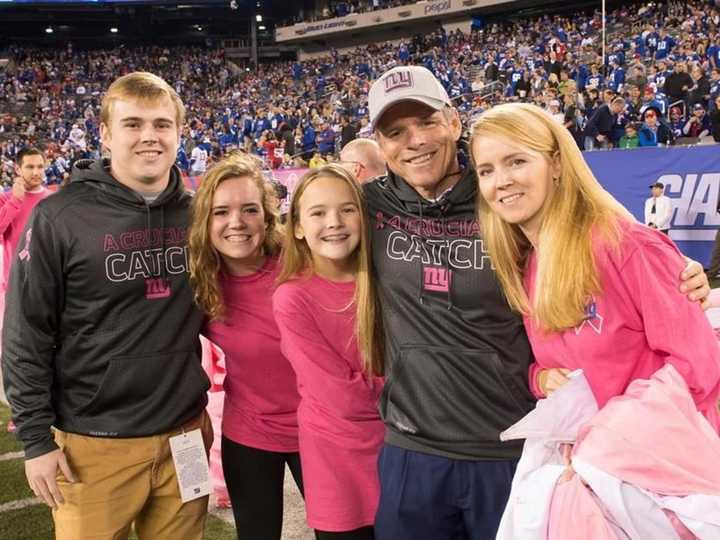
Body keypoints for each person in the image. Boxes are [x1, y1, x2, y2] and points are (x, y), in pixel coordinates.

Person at [364, 65, 710, 540]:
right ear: (379, 145)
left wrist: (686, 282)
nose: (415, 141)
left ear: (453, 122)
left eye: (426, 122)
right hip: (445, 451)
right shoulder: (374, 208)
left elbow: (697, 365)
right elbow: (548, 358)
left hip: (568, 461)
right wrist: (540, 377)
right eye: (396, 131)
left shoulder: (565, 229)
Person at [2, 72, 212, 539]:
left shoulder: (198, 213)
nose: (149, 137)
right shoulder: (60, 215)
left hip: (185, 434)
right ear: (105, 133)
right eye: (133, 124)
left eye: (161, 124)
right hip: (92, 443)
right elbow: (25, 333)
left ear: (180, 131)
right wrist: (36, 440)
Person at [470, 101, 720, 429]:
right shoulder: (526, 266)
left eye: (516, 161)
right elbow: (559, 365)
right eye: (486, 170)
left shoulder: (628, 246)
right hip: (588, 468)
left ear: (556, 164)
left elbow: (698, 370)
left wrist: (608, 444)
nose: (500, 181)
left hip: (661, 463)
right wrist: (541, 379)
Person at [188, 152, 302, 540]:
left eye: (249, 209)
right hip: (250, 436)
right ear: (206, 221)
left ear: (268, 216)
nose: (235, 222)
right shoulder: (199, 284)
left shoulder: (301, 263)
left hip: (321, 433)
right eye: (221, 212)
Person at [273, 164, 385, 540]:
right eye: (318, 213)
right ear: (299, 227)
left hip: (400, 452)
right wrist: (414, 391)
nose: (334, 222)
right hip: (336, 461)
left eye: (347, 209)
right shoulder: (292, 297)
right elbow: (340, 396)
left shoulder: (387, 280)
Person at [0, 146, 50, 416]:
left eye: (40, 166)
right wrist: (15, 201)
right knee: (19, 353)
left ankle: (52, 404)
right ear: (18, 169)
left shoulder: (52, 199)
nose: (36, 172)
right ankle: (21, 412)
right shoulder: (7, 198)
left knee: (51, 347)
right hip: (16, 288)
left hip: (50, 287)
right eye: (30, 167)